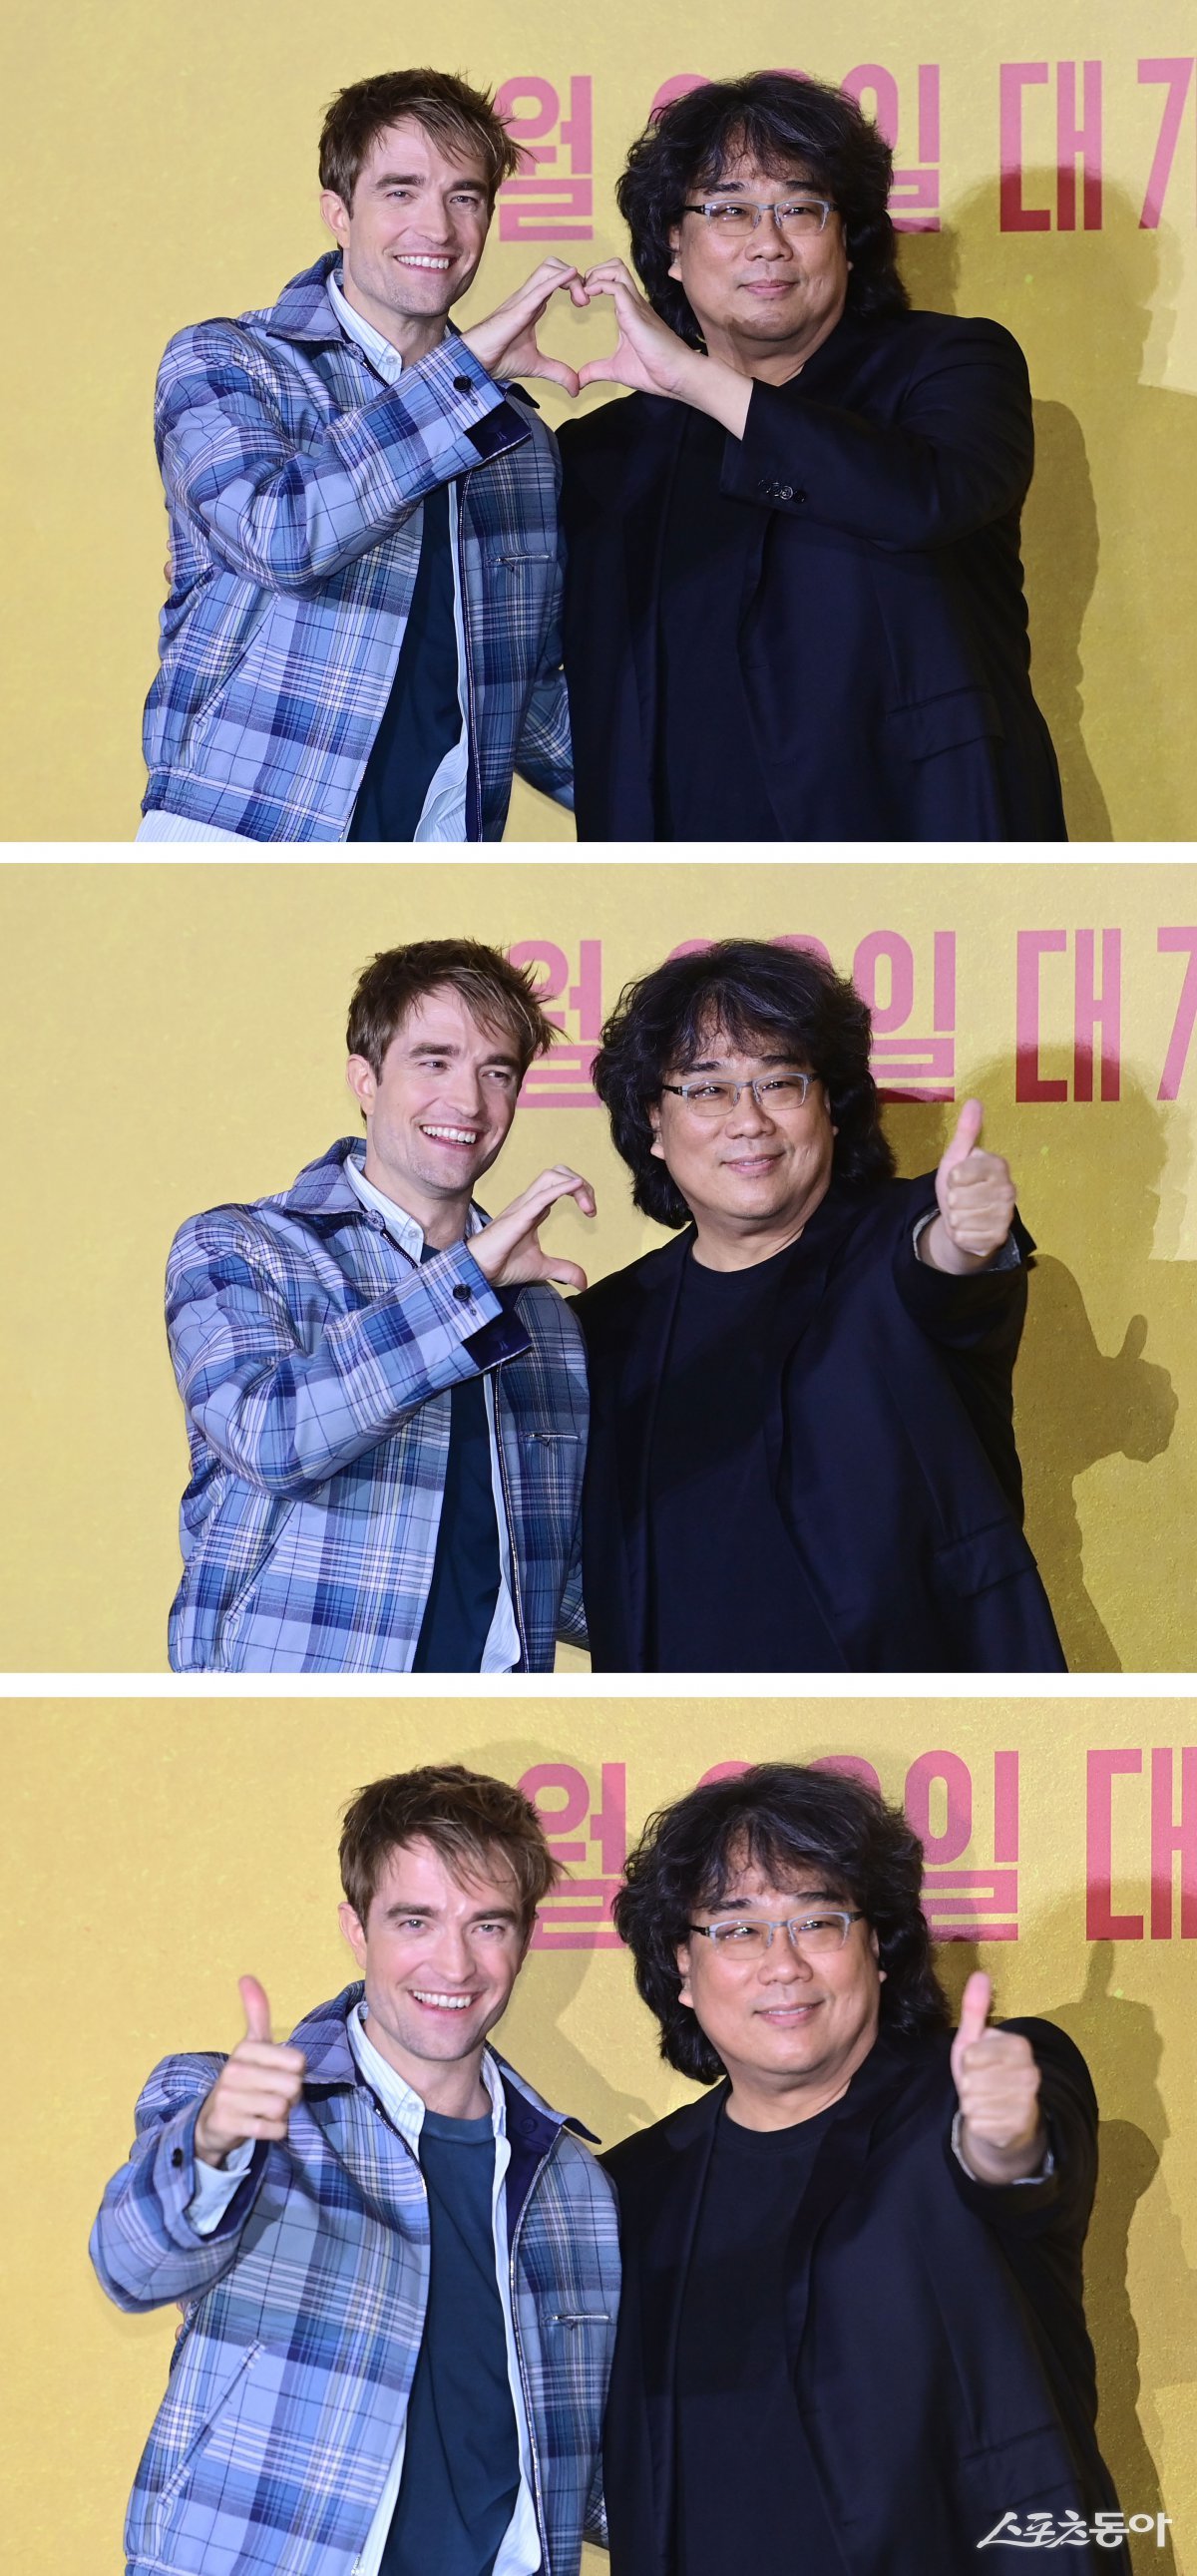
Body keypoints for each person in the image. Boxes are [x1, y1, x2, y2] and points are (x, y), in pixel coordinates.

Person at [91, 1764, 620, 2576]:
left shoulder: (573, 2183)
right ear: (355, 1926)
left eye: (488, 1925)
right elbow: (132, 2264)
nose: (454, 1965)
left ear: (526, 1937)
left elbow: (577, 2466)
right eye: (415, 1921)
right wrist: (212, 2145)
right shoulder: (236, 2109)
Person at [600, 1762, 1127, 2576]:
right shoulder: (626, 2191)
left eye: (818, 1922)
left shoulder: (965, 2097)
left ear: (878, 1948)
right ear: (682, 1967)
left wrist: (1003, 2139)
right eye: (738, 1929)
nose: (784, 1964)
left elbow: (1022, 2173)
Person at [557, 73, 1066, 842]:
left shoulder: (952, 367)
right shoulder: (601, 454)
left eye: (800, 208)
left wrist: (698, 377)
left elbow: (921, 501)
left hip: (921, 839)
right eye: (728, 210)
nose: (768, 243)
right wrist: (466, 388)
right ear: (671, 242)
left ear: (848, 240)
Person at [573, 938, 1065, 1672]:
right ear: (653, 1120)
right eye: (707, 1089)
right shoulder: (607, 1323)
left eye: (780, 1083)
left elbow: (946, 1273)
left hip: (919, 1705)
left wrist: (966, 1235)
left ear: (830, 1106)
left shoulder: (898, 1239)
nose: (749, 1121)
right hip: (688, 1732)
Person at [138, 68, 588, 842]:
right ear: (338, 213)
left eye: (465, 197)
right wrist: (461, 382)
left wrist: (730, 792)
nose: (438, 230)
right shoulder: (227, 362)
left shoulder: (517, 438)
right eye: (400, 191)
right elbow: (284, 539)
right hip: (242, 830)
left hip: (439, 844)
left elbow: (530, 702)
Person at [166, 938, 596, 1670]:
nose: (468, 1102)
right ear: (364, 1079)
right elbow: (275, 1440)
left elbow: (557, 1578)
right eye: (434, 1062)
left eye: (498, 1072)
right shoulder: (238, 1248)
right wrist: (469, 1281)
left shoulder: (544, 1316)